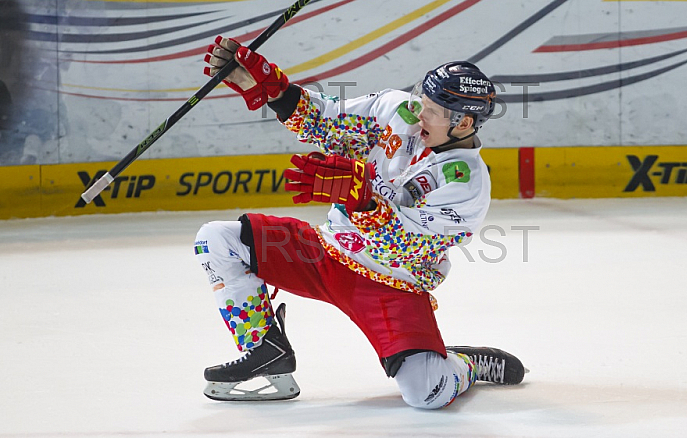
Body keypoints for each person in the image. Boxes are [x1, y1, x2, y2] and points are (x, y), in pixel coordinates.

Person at [195, 36, 526, 408]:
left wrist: (363, 199)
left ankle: (463, 365)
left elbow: (405, 247)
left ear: (463, 122)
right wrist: (273, 89)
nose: (420, 114)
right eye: (422, 101)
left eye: (432, 111)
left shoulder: (469, 186)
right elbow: (328, 123)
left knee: (426, 394)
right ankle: (265, 349)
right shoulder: (398, 111)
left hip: (390, 284)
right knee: (216, 239)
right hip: (324, 252)